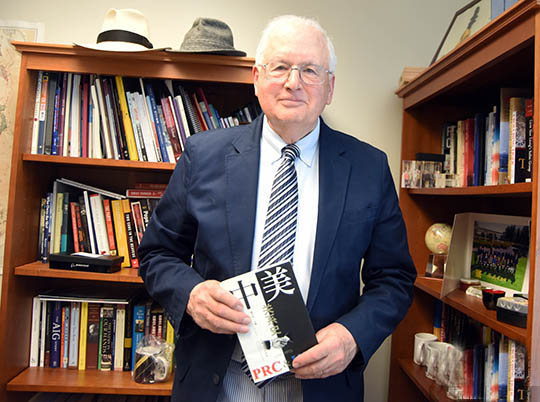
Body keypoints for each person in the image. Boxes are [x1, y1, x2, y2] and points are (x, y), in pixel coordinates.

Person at [138, 15, 416, 402]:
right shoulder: (203, 155)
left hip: (320, 383)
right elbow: (157, 254)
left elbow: (394, 278)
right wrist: (191, 294)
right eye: (280, 67)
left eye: (310, 70)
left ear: (330, 87)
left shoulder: (368, 168)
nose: (293, 82)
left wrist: (352, 336)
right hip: (218, 378)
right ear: (257, 78)